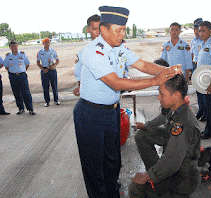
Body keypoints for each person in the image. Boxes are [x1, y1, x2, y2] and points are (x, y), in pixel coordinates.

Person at [73, 6, 181, 198]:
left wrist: (168, 70)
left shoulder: (120, 48)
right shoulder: (93, 52)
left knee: (112, 160)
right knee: (94, 165)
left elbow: (143, 64)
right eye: (118, 30)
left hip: (111, 111)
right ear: (104, 29)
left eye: (124, 29)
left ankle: (113, 193)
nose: (122, 34)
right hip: (90, 114)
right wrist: (155, 81)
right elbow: (115, 82)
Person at [129, 74, 201, 198]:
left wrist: (147, 176)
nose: (159, 97)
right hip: (176, 159)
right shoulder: (177, 110)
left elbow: (172, 160)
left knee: (135, 189)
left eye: (162, 94)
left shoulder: (183, 123)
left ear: (176, 95)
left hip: (182, 178)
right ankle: (158, 172)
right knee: (142, 136)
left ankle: (162, 179)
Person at [4, 40, 35, 115]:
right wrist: (13, 72)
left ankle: (30, 108)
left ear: (17, 46)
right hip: (13, 76)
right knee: (16, 93)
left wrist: (21, 71)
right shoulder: (8, 56)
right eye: (12, 46)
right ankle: (21, 108)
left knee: (26, 93)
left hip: (22, 75)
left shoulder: (22, 54)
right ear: (10, 48)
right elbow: (6, 66)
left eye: (15, 46)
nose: (14, 47)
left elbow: (27, 64)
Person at [73, 14, 100, 96]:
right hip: (91, 97)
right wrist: (81, 88)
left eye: (101, 29)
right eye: (95, 29)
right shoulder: (82, 54)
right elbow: (79, 75)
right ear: (88, 30)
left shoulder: (113, 50)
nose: (98, 32)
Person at [37, 38, 60, 107]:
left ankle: (56, 100)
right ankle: (47, 101)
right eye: (45, 42)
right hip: (44, 71)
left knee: (54, 86)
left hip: (52, 70)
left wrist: (54, 65)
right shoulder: (40, 52)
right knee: (45, 87)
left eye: (48, 42)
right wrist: (42, 69)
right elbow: (38, 62)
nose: (47, 44)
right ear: (43, 43)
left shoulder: (53, 51)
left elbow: (57, 60)